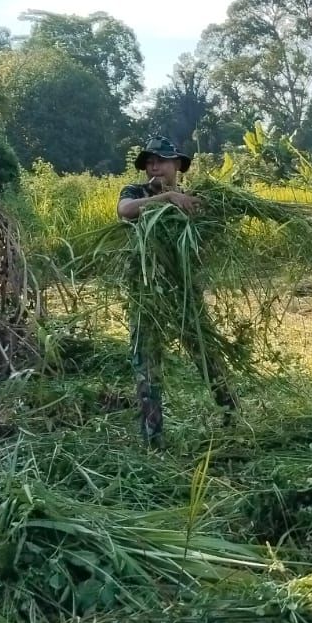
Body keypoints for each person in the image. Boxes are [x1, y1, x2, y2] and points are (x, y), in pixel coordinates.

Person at [116, 133, 233, 445]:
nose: (154, 167)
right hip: (146, 290)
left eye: (161, 161)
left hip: (184, 289)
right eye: (149, 162)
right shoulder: (136, 192)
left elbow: (209, 234)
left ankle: (232, 414)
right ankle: (153, 438)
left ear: (178, 165)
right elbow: (125, 210)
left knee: (205, 352)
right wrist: (167, 198)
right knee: (147, 362)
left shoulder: (192, 198)